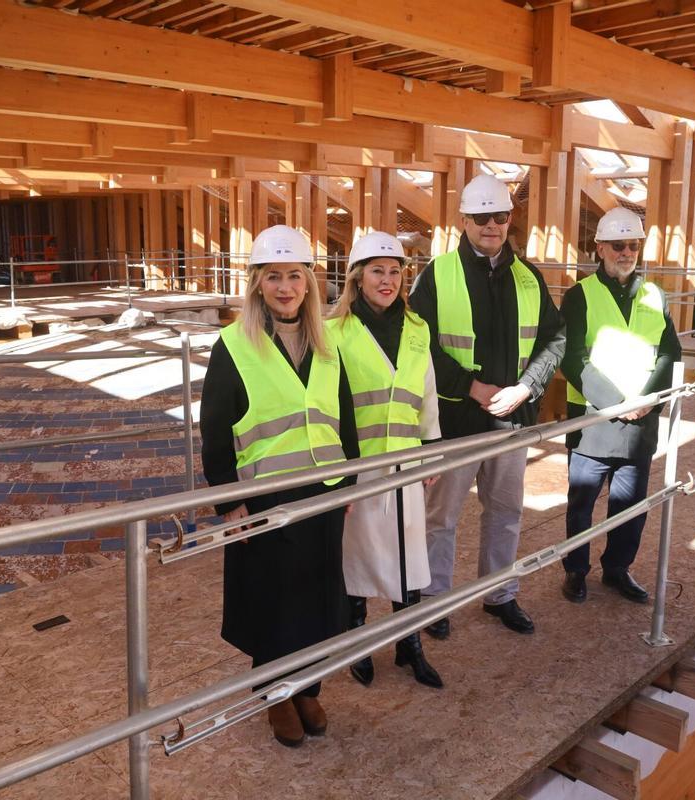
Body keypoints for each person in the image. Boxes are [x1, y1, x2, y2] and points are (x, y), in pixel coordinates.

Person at [200, 224, 359, 749]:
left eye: (295, 276)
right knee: (275, 601)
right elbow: (216, 429)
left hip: (324, 488)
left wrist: (350, 483)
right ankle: (274, 694)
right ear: (257, 284)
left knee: (318, 597)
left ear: (309, 283)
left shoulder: (326, 341)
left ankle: (308, 686)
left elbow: (344, 416)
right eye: (274, 277)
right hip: (267, 494)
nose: (286, 287)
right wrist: (229, 505)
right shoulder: (233, 346)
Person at [409, 174, 565, 639]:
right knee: (441, 518)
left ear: (509, 219)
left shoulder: (528, 277)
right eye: (481, 217)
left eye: (499, 216)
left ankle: (501, 594)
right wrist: (471, 387)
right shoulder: (437, 276)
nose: (491, 225)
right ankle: (434, 601)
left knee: (505, 511)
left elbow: (554, 340)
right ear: (463, 221)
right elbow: (419, 346)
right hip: (456, 422)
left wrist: (528, 388)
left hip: (512, 420)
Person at [329, 231, 443, 690]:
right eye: (378, 270)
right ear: (357, 277)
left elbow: (427, 393)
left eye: (395, 271)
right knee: (357, 556)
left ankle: (408, 644)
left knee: (408, 554)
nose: (388, 279)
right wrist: (338, 472)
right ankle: (358, 641)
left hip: (406, 462)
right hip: (360, 464)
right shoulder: (335, 332)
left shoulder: (417, 330)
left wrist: (432, 449)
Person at [559, 207, 682, 604]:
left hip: (640, 422)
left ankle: (617, 569)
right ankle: (576, 571)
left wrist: (648, 399)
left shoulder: (654, 294)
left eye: (633, 245)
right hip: (594, 422)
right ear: (599, 248)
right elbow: (571, 358)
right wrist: (616, 403)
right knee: (582, 504)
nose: (626, 252)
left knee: (630, 506)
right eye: (618, 245)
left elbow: (669, 353)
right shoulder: (580, 296)